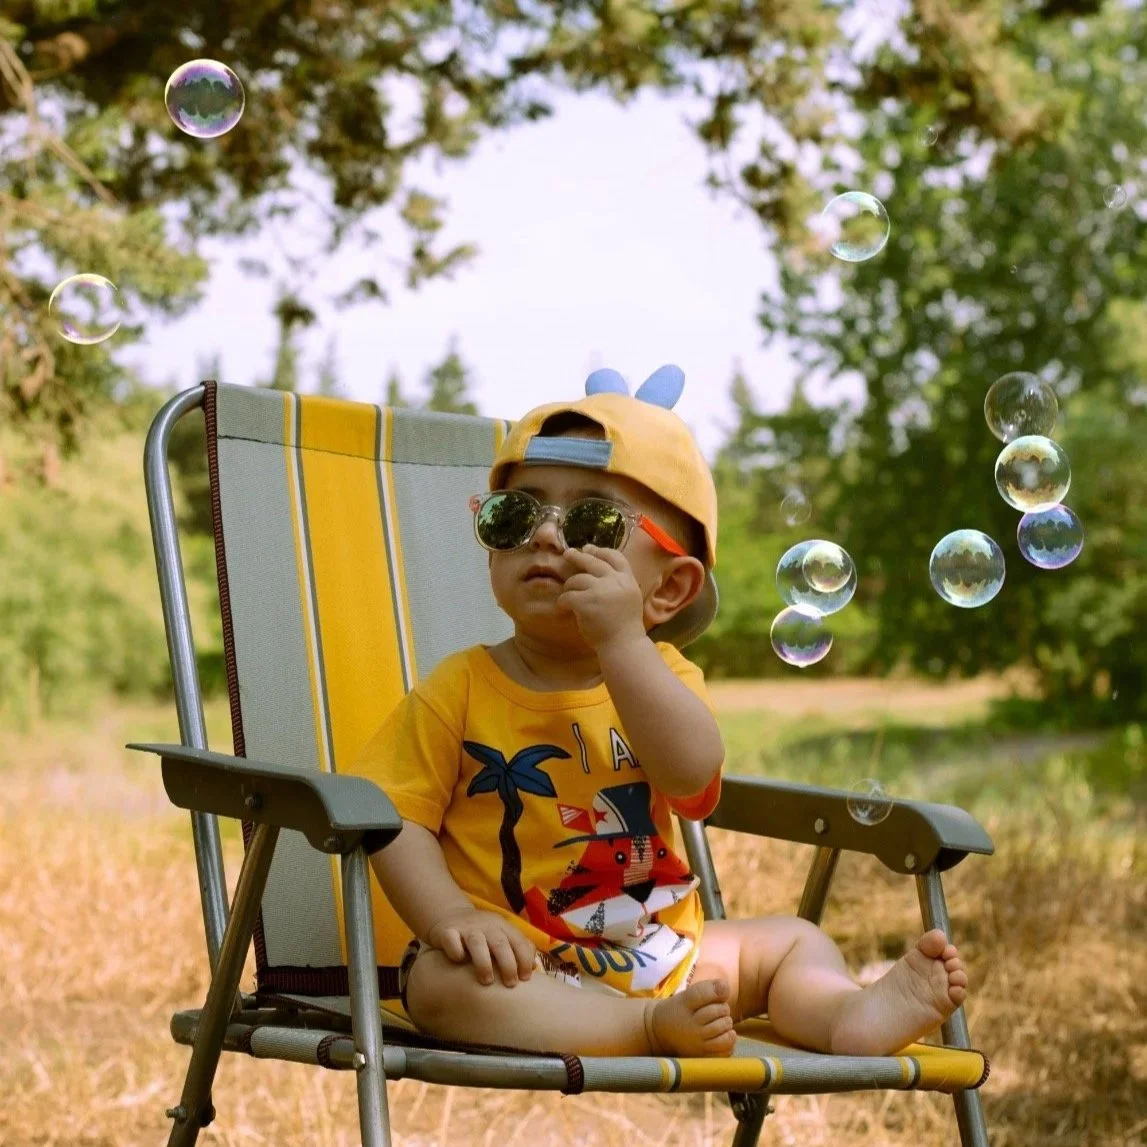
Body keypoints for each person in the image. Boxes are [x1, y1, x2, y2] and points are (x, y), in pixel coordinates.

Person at [349, 365, 968, 1058]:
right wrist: (452, 917)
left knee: (793, 939)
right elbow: (390, 814)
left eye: (591, 520)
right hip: (522, 967)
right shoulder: (460, 686)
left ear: (669, 587)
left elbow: (692, 781)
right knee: (436, 983)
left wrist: (619, 643)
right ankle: (641, 1030)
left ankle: (843, 1014)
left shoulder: (664, 676)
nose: (547, 537)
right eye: (515, 514)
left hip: (671, 955)